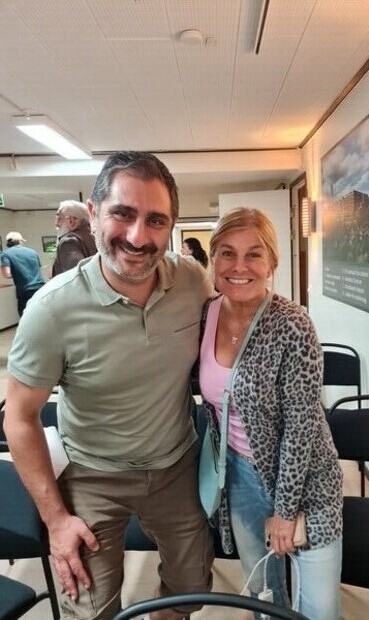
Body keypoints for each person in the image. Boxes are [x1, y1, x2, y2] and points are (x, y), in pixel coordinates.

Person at [3, 151, 215, 620]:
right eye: (123, 213)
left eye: (156, 220)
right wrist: (56, 520)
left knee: (190, 590)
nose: (138, 237)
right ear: (93, 213)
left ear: (171, 226)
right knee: (89, 609)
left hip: (175, 466)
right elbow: (18, 417)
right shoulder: (52, 310)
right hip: (91, 473)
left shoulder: (191, 282)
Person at [199, 207, 343, 620]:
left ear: (272, 262)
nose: (239, 266)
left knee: (319, 610)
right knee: (265, 598)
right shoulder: (206, 314)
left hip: (306, 480)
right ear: (213, 259)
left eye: (254, 254)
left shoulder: (294, 324)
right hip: (239, 476)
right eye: (227, 253)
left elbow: (302, 426)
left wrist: (284, 510)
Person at [0, 231, 45, 316]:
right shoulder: (33, 252)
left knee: (26, 317)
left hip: (24, 291)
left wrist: (18, 273)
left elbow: (6, 274)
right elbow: (38, 268)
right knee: (42, 315)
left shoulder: (5, 254)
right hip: (41, 288)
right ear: (20, 241)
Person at [52, 199, 97, 276]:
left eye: (59, 218)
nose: (56, 223)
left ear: (71, 221)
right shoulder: (96, 237)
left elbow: (77, 276)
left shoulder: (69, 242)